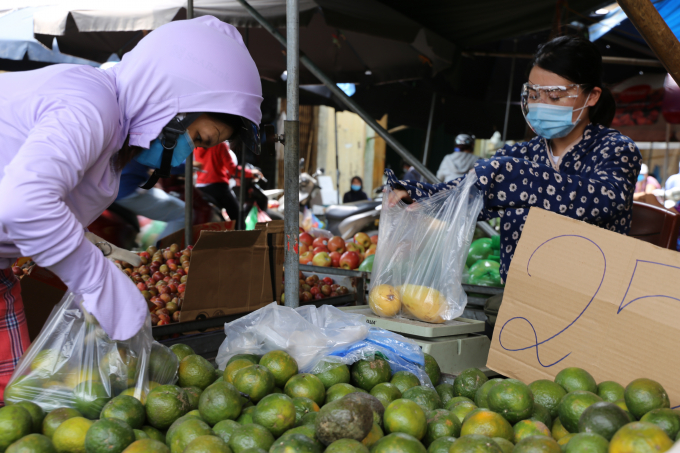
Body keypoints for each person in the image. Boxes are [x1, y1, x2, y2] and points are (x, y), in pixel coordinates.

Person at [0, 16, 263, 398]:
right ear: (169, 103)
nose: (189, 154)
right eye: (199, 138)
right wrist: (98, 282)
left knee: (11, 409)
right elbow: (24, 205)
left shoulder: (114, 134)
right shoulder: (90, 104)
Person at [387, 35, 640, 281]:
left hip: (592, 297)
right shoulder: (520, 155)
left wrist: (521, 178)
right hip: (520, 298)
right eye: (534, 95)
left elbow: (606, 200)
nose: (541, 104)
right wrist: (421, 196)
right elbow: (471, 194)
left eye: (554, 96)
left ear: (592, 96)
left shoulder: (615, 149)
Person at [115, 159, 187, 238]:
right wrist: (188, 164)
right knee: (184, 213)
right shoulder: (138, 146)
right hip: (126, 189)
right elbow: (161, 161)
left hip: (110, 189)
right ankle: (160, 249)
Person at [195, 142, 256, 221]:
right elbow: (232, 169)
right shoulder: (220, 144)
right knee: (238, 217)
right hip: (218, 187)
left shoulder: (196, 146)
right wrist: (251, 173)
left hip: (200, 188)